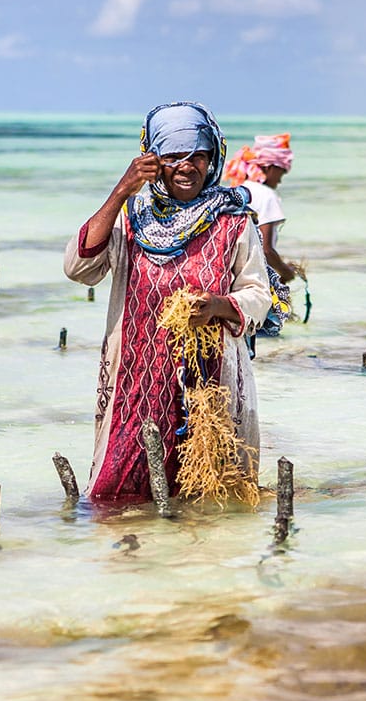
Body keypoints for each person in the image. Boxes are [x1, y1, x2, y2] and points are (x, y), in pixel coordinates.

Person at [64, 102, 272, 502]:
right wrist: (122, 190)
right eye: (174, 156)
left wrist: (217, 306)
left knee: (214, 493)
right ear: (153, 160)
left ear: (213, 158)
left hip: (212, 380)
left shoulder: (233, 219)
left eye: (198, 155)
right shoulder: (129, 217)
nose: (187, 166)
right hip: (135, 376)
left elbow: (259, 294)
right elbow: (79, 267)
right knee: (117, 494)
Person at [224, 133, 297, 337]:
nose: (281, 179)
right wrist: (287, 273)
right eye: (282, 171)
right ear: (269, 167)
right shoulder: (267, 196)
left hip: (233, 287)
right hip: (254, 290)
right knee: (266, 337)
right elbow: (266, 250)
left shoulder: (236, 190)